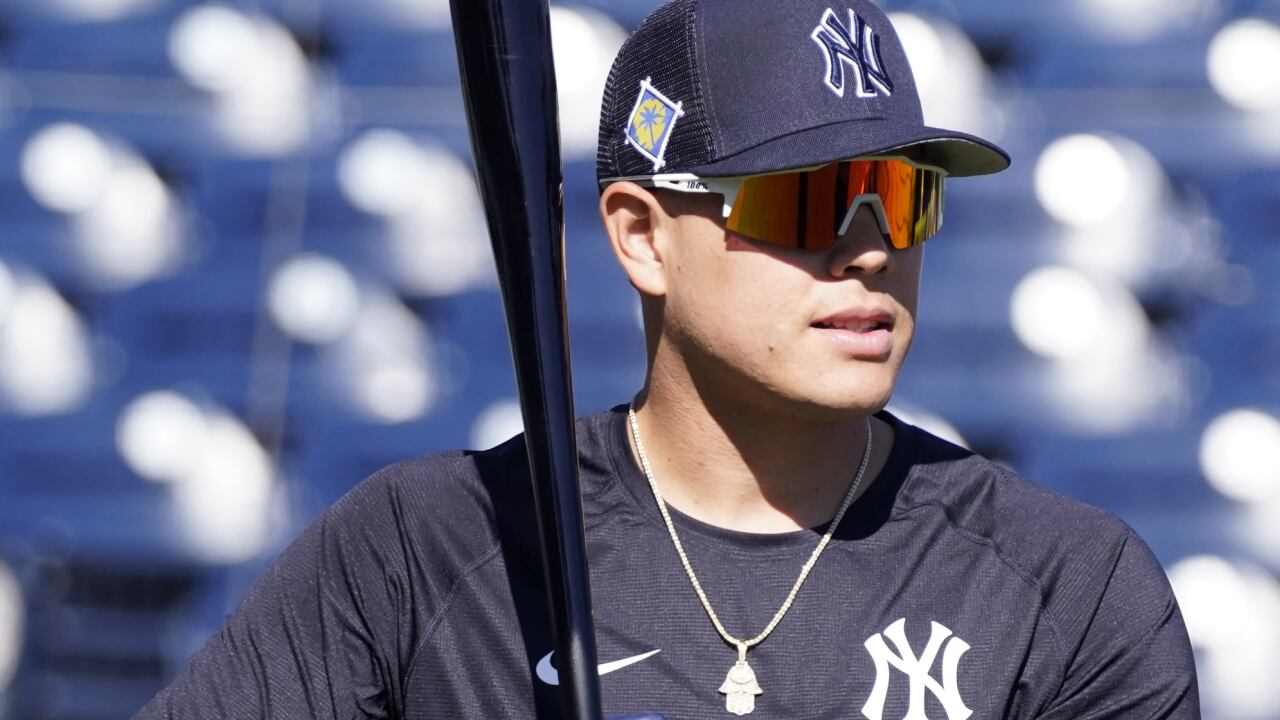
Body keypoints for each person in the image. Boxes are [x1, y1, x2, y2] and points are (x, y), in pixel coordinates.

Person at [134, 0, 1200, 717]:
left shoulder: (1067, 585)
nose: (869, 244)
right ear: (642, 234)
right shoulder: (427, 548)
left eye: (904, 194)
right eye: (812, 198)